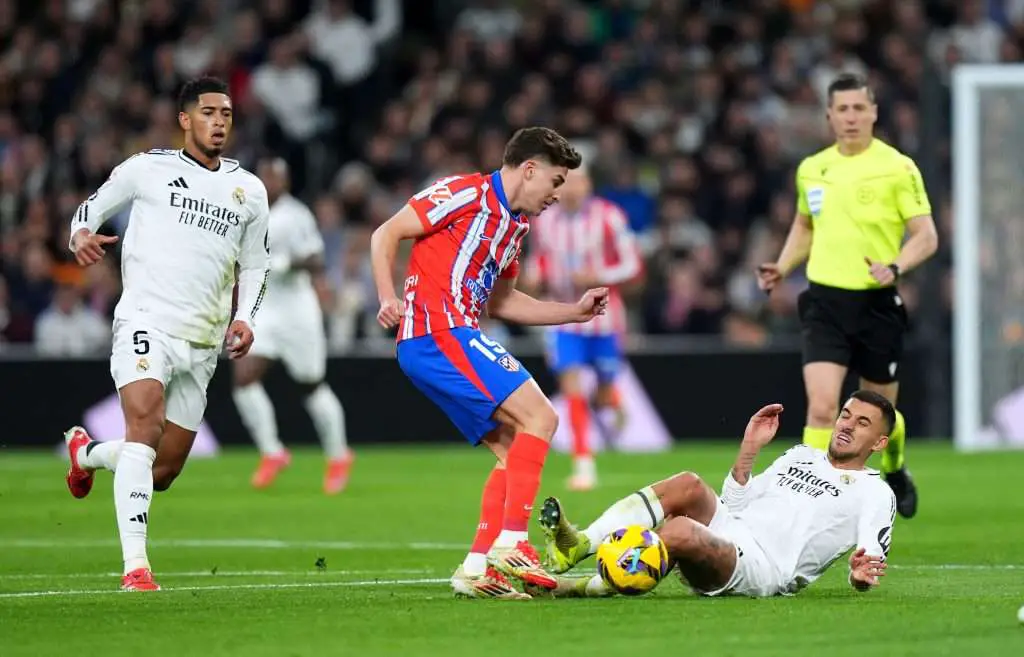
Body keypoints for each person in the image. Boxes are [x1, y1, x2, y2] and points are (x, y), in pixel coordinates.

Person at [370, 126, 608, 600]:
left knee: (514, 447)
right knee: (542, 416)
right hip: (438, 333)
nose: (557, 195)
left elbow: (503, 302)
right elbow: (387, 232)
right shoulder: (462, 192)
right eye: (556, 182)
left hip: (451, 337)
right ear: (530, 169)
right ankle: (514, 543)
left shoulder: (515, 226)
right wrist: (386, 296)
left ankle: (478, 567)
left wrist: (573, 312)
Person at [61, 77, 270, 591]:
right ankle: (136, 567)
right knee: (144, 423)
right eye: (208, 113)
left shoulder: (250, 190)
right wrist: (80, 235)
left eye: (226, 113)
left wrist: (247, 319)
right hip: (145, 321)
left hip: (203, 341)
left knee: (162, 470)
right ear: (185, 119)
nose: (220, 122)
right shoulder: (147, 168)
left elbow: (258, 265)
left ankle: (86, 454)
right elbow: (89, 209)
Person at [757, 73, 939, 519]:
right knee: (823, 406)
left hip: (877, 304)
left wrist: (894, 267)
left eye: (860, 108)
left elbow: (927, 235)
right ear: (829, 116)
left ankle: (895, 467)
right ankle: (810, 502)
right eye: (843, 109)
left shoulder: (898, 167)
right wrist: (783, 265)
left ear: (874, 112)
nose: (852, 117)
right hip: (825, 301)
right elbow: (804, 225)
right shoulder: (813, 168)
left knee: (880, 416)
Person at [537, 390, 896, 599]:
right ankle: (580, 544)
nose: (847, 425)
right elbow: (737, 504)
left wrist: (859, 575)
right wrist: (750, 448)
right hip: (732, 529)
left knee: (679, 529)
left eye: (862, 423)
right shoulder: (802, 455)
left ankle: (586, 586)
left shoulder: (875, 492)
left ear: (879, 443)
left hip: (764, 568)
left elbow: (870, 554)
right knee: (688, 484)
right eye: (846, 415)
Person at [232, 157, 354, 494]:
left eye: (277, 177)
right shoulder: (248, 213)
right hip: (265, 310)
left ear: (285, 181)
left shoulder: (296, 215)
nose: (272, 182)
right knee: (244, 378)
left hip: (298, 311)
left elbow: (316, 259)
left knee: (311, 386)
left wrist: (286, 262)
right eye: (267, 176)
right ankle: (273, 452)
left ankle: (338, 455)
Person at [524, 164, 642, 490]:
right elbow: (541, 257)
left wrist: (598, 276)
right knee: (571, 384)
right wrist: (535, 274)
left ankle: (612, 398)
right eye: (565, 182)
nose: (571, 188)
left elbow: (632, 263)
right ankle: (583, 463)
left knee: (602, 393)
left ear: (589, 183)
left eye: (577, 181)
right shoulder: (545, 218)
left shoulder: (609, 216)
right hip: (562, 316)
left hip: (604, 319)